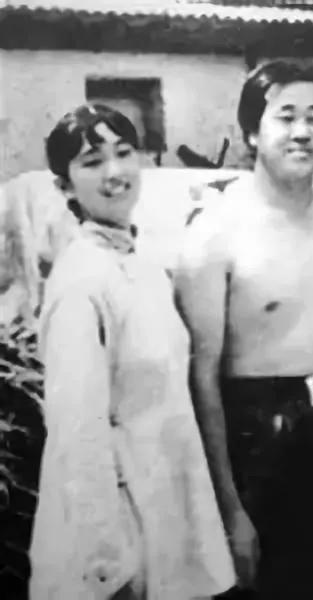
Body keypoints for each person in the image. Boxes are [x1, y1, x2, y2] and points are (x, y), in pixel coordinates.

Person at [174, 61, 313, 599]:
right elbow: (201, 380)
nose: (302, 131)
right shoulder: (214, 233)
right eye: (285, 116)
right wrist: (229, 511)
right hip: (261, 440)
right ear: (251, 132)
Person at [28, 104, 235, 599]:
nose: (115, 172)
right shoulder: (80, 283)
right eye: (92, 161)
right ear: (65, 186)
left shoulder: (143, 268)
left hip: (167, 509)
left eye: (124, 153)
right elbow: (77, 435)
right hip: (119, 533)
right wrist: (106, 560)